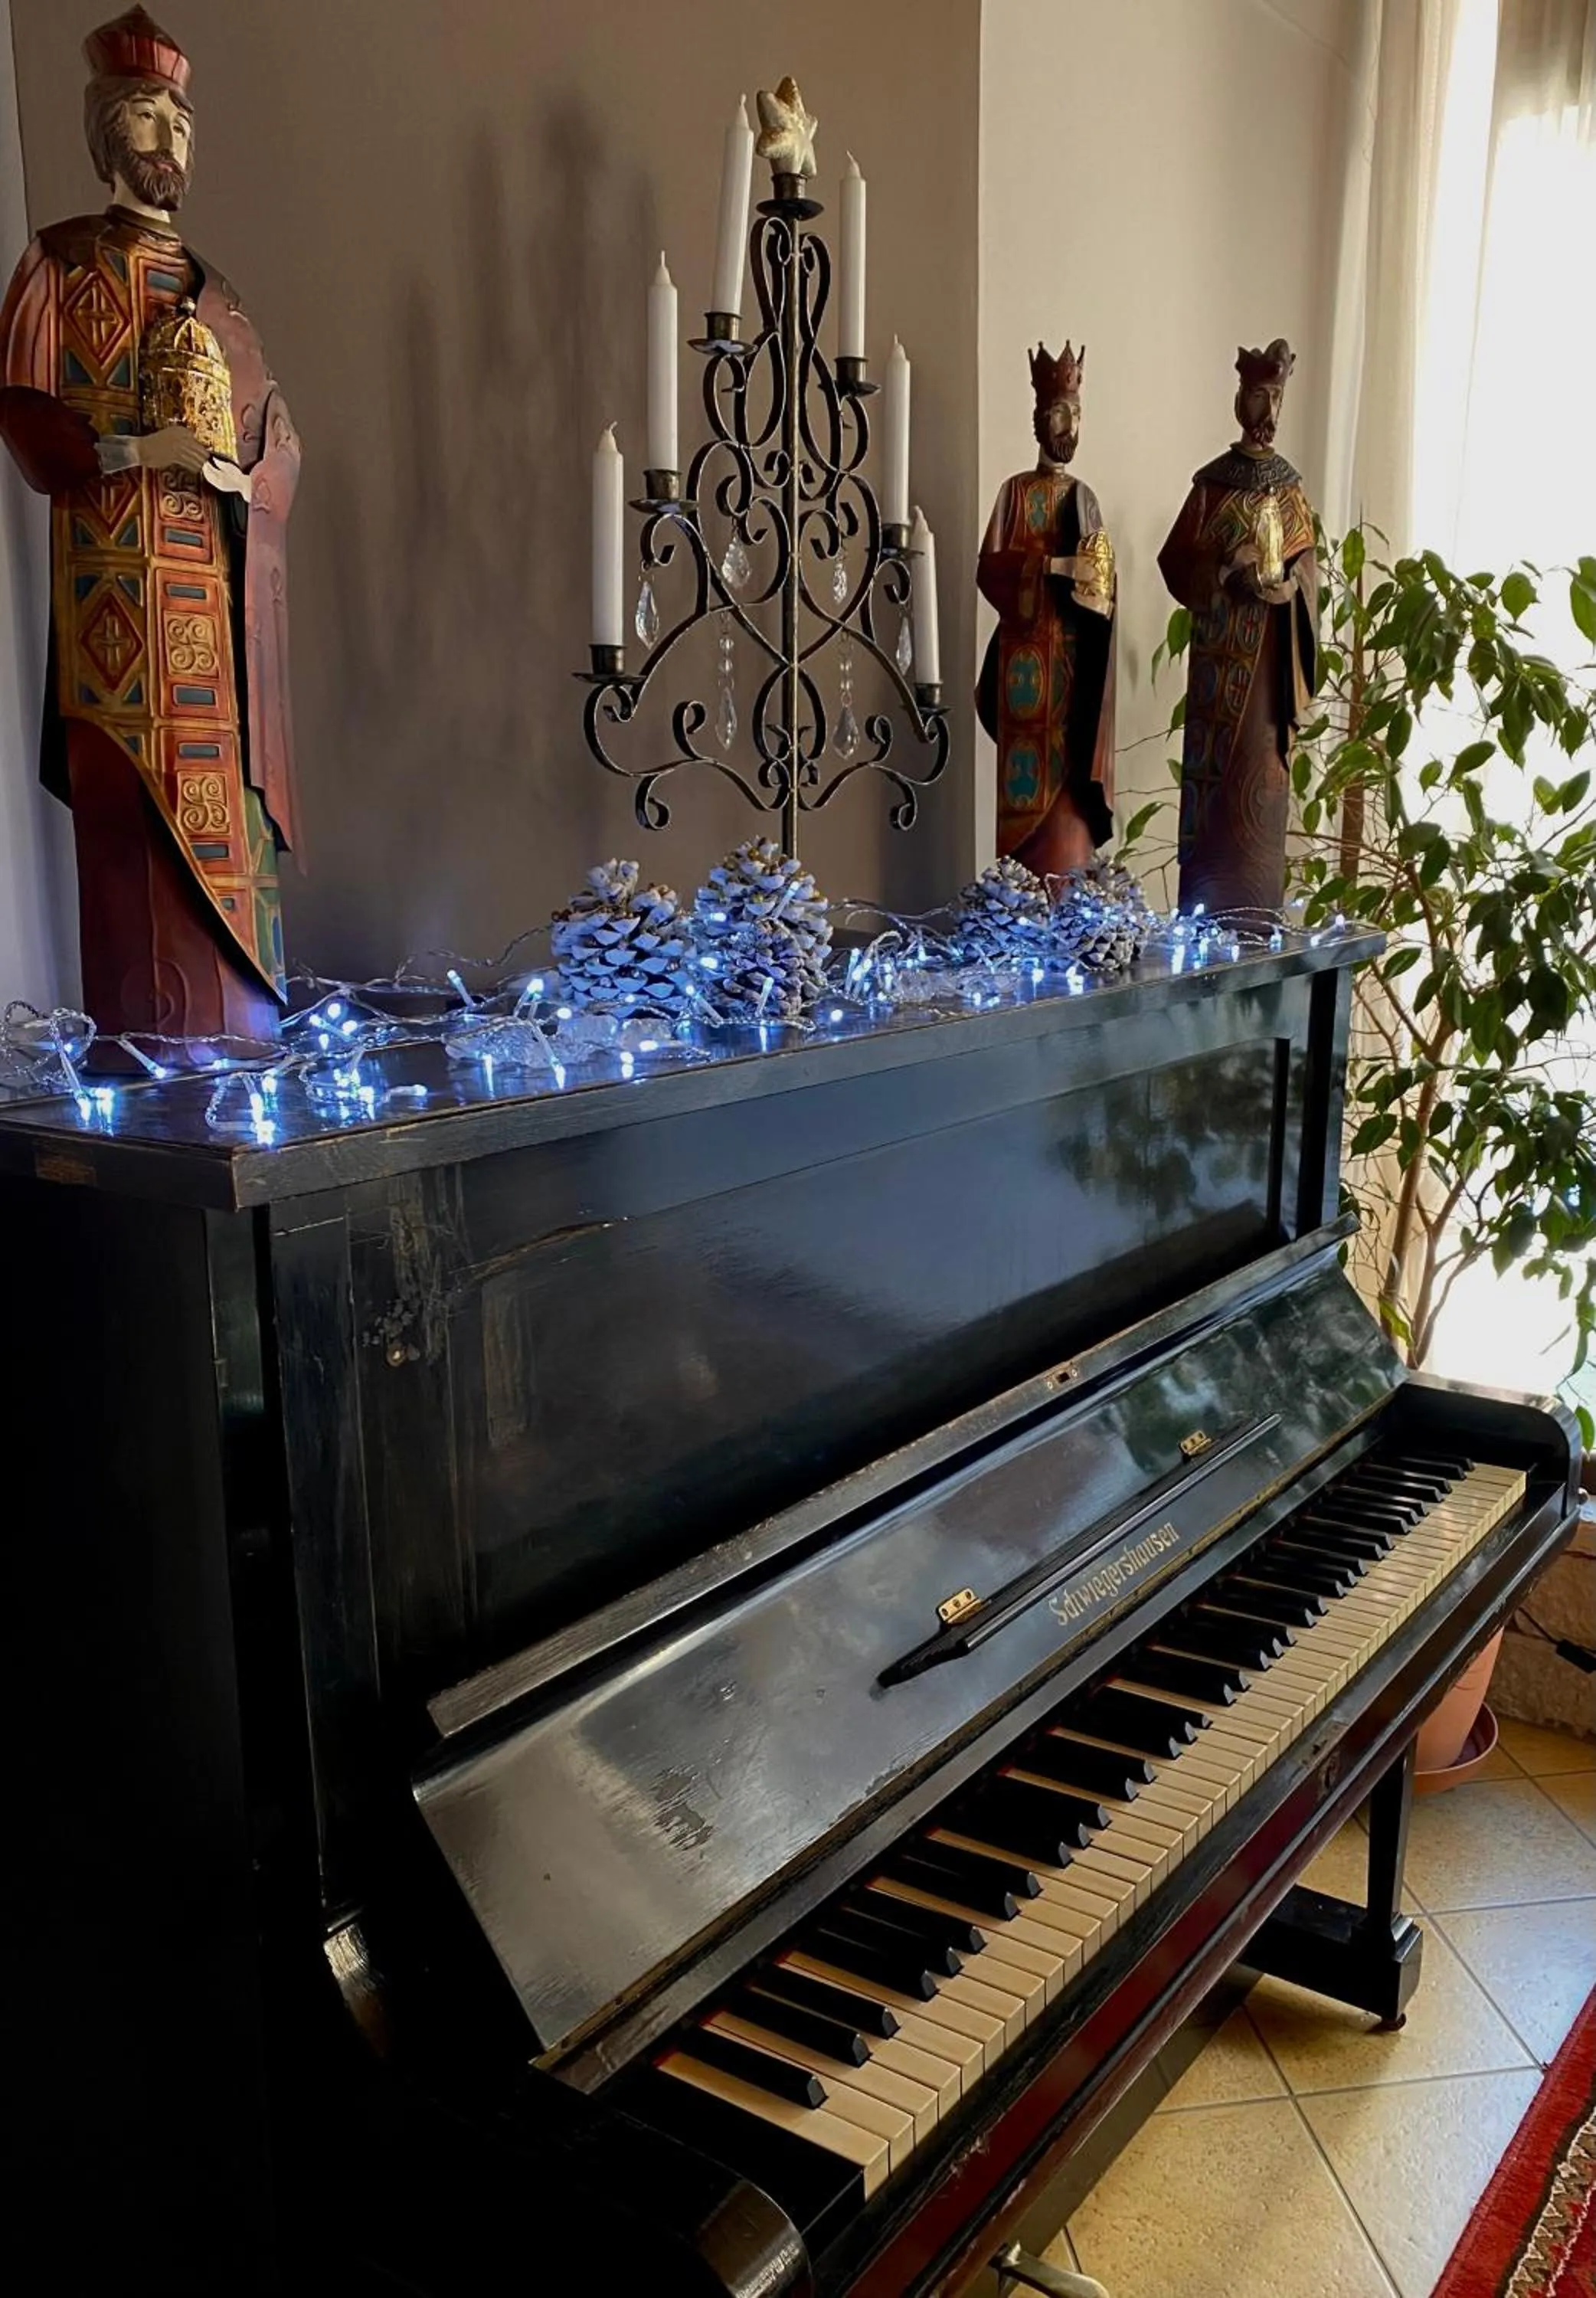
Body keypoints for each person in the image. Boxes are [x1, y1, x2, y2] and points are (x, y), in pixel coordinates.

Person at [0, 5, 300, 1045]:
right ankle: (148, 1077)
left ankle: (244, 1050)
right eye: (141, 112)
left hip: (215, 636)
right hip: (115, 627)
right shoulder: (58, 265)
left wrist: (235, 474)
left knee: (230, 856)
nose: (166, 133)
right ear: (101, 133)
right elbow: (34, 428)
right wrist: (141, 452)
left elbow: (282, 449)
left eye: (178, 115)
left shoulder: (227, 303)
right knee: (134, 866)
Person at [1158, 339, 1318, 917]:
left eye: (1274, 398)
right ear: (1240, 401)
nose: (1266, 412)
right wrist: (1225, 570)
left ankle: (1256, 923)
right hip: (1219, 670)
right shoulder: (1212, 486)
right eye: (1257, 398)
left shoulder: (1289, 490)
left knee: (1264, 791)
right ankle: (1204, 916)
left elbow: (1307, 569)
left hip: (1270, 677)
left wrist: (1290, 589)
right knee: (1218, 809)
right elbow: (1175, 561)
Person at [976, 339, 1116, 879]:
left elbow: (1102, 587)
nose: (1070, 427)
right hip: (1024, 676)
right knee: (1024, 803)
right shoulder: (1014, 494)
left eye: (1076, 415)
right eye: (1061, 413)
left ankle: (1072, 919)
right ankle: (1016, 913)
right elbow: (990, 568)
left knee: (1068, 809)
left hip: (1072, 681)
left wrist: (1097, 591)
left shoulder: (1086, 497)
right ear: (1040, 419)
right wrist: (1055, 568)